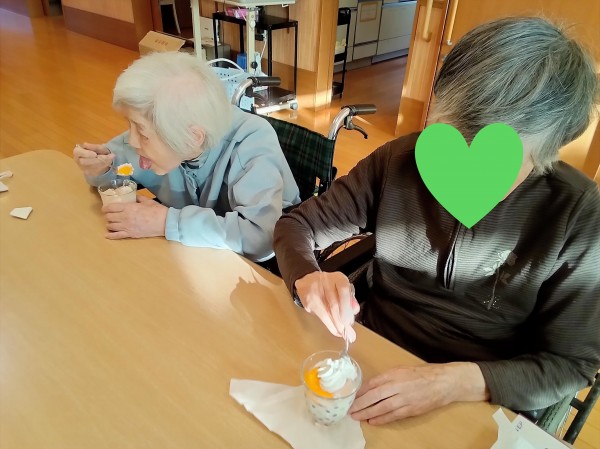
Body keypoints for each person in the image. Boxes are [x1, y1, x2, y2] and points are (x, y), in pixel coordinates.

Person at [273, 17, 600, 425]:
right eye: (454, 138)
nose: (464, 177)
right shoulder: (400, 160)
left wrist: (456, 382)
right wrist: (308, 277)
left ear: (546, 152)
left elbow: (571, 363)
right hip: (371, 351)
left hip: (480, 396)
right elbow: (296, 226)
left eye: (496, 163)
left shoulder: (577, 214)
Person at [74, 51, 300, 262]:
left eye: (141, 131)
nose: (131, 140)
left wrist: (165, 222)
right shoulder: (159, 135)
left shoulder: (251, 142)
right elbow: (116, 169)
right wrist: (101, 168)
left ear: (192, 138)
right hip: (194, 254)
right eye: (129, 124)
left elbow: (261, 238)